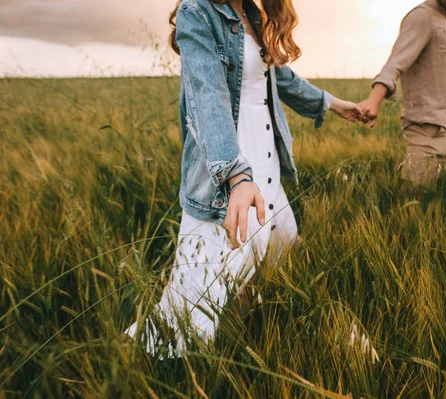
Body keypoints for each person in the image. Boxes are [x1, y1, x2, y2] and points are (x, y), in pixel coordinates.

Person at [125, 0, 363, 356]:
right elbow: (208, 96)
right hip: (227, 166)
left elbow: (278, 77)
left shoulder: (252, 14)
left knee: (260, 264)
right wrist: (235, 175)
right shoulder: (198, 13)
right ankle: (150, 366)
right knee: (200, 293)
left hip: (265, 167)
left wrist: (331, 103)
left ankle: (238, 346)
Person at [359, 0, 446, 190]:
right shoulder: (422, 16)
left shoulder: (441, 19)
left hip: (443, 129)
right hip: (426, 131)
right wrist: (375, 99)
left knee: (427, 206)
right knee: (413, 200)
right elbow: (395, 63)